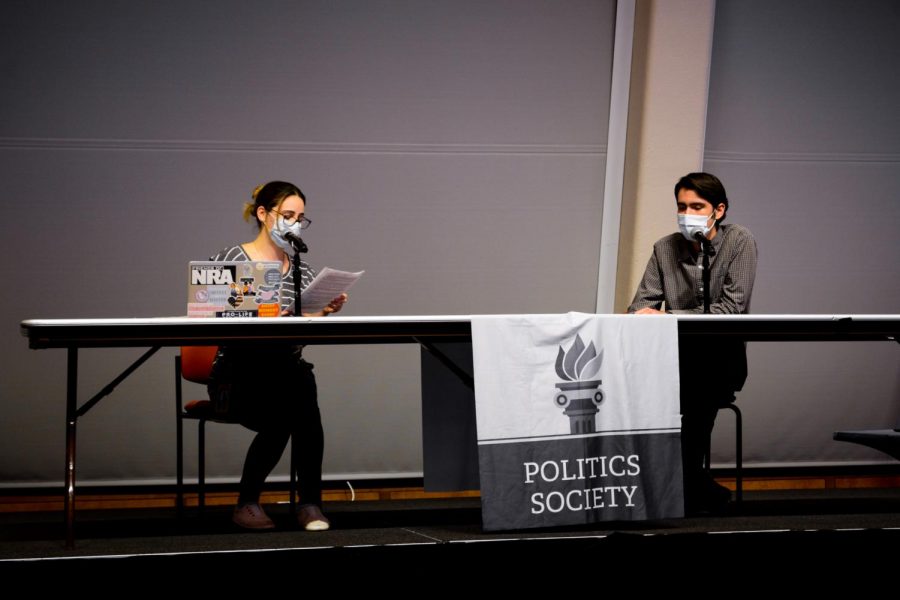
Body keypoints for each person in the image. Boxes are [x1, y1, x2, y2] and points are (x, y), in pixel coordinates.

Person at [207, 180, 348, 531]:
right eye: (288, 215)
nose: (295, 223)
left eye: (301, 217)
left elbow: (300, 335)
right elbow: (209, 317)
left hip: (285, 373)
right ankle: (248, 503)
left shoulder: (303, 271)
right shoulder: (231, 260)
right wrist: (262, 319)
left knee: (300, 389)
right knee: (290, 406)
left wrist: (321, 312)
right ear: (263, 214)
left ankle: (310, 505)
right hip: (237, 376)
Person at [627, 172, 757, 515]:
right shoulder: (664, 248)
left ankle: (684, 486)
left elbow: (731, 308)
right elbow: (640, 306)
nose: (688, 213)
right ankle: (696, 486)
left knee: (696, 401)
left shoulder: (740, 242)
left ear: (719, 210)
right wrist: (651, 315)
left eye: (696, 206)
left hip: (719, 358)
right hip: (673, 357)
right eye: (682, 206)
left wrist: (668, 318)